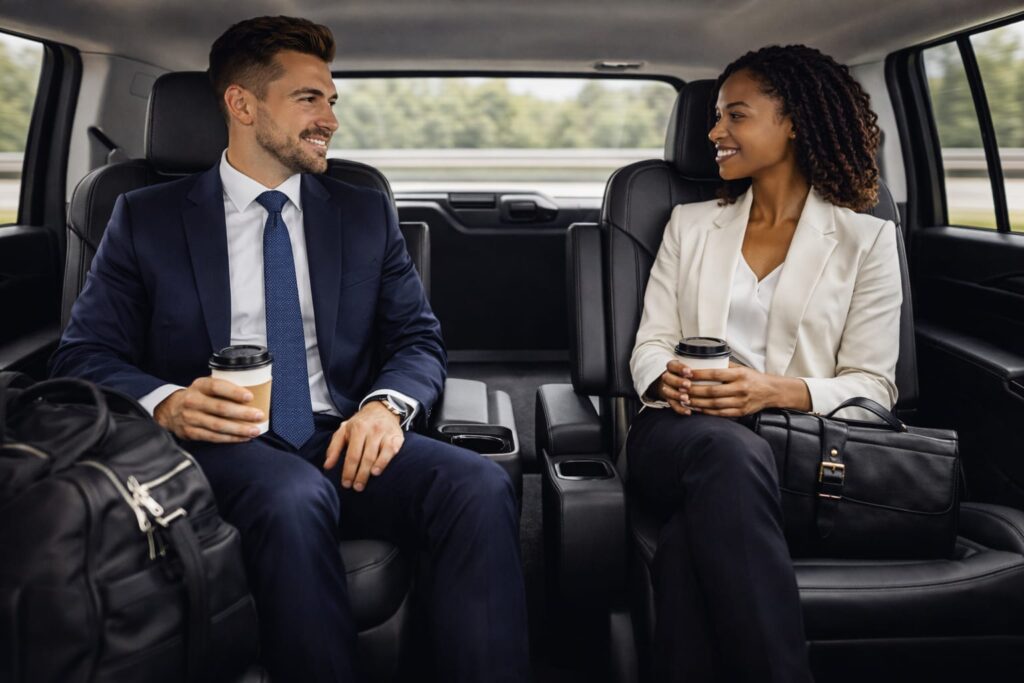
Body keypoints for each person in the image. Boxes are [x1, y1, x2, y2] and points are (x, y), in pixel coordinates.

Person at [51, 16, 529, 683]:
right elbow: (82, 356)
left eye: (332, 101)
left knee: (477, 484)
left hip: (338, 435)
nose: (330, 119)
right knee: (292, 495)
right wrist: (169, 404)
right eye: (310, 99)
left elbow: (417, 339)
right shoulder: (145, 217)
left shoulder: (362, 211)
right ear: (242, 105)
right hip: (216, 448)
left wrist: (384, 409)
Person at [627, 45, 902, 681]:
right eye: (716, 118)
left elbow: (873, 386)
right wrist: (661, 375)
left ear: (795, 121)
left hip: (796, 449)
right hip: (679, 432)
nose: (714, 132)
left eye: (735, 116)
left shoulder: (867, 239)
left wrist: (773, 392)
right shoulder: (689, 224)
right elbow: (650, 342)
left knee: (683, 550)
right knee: (725, 453)